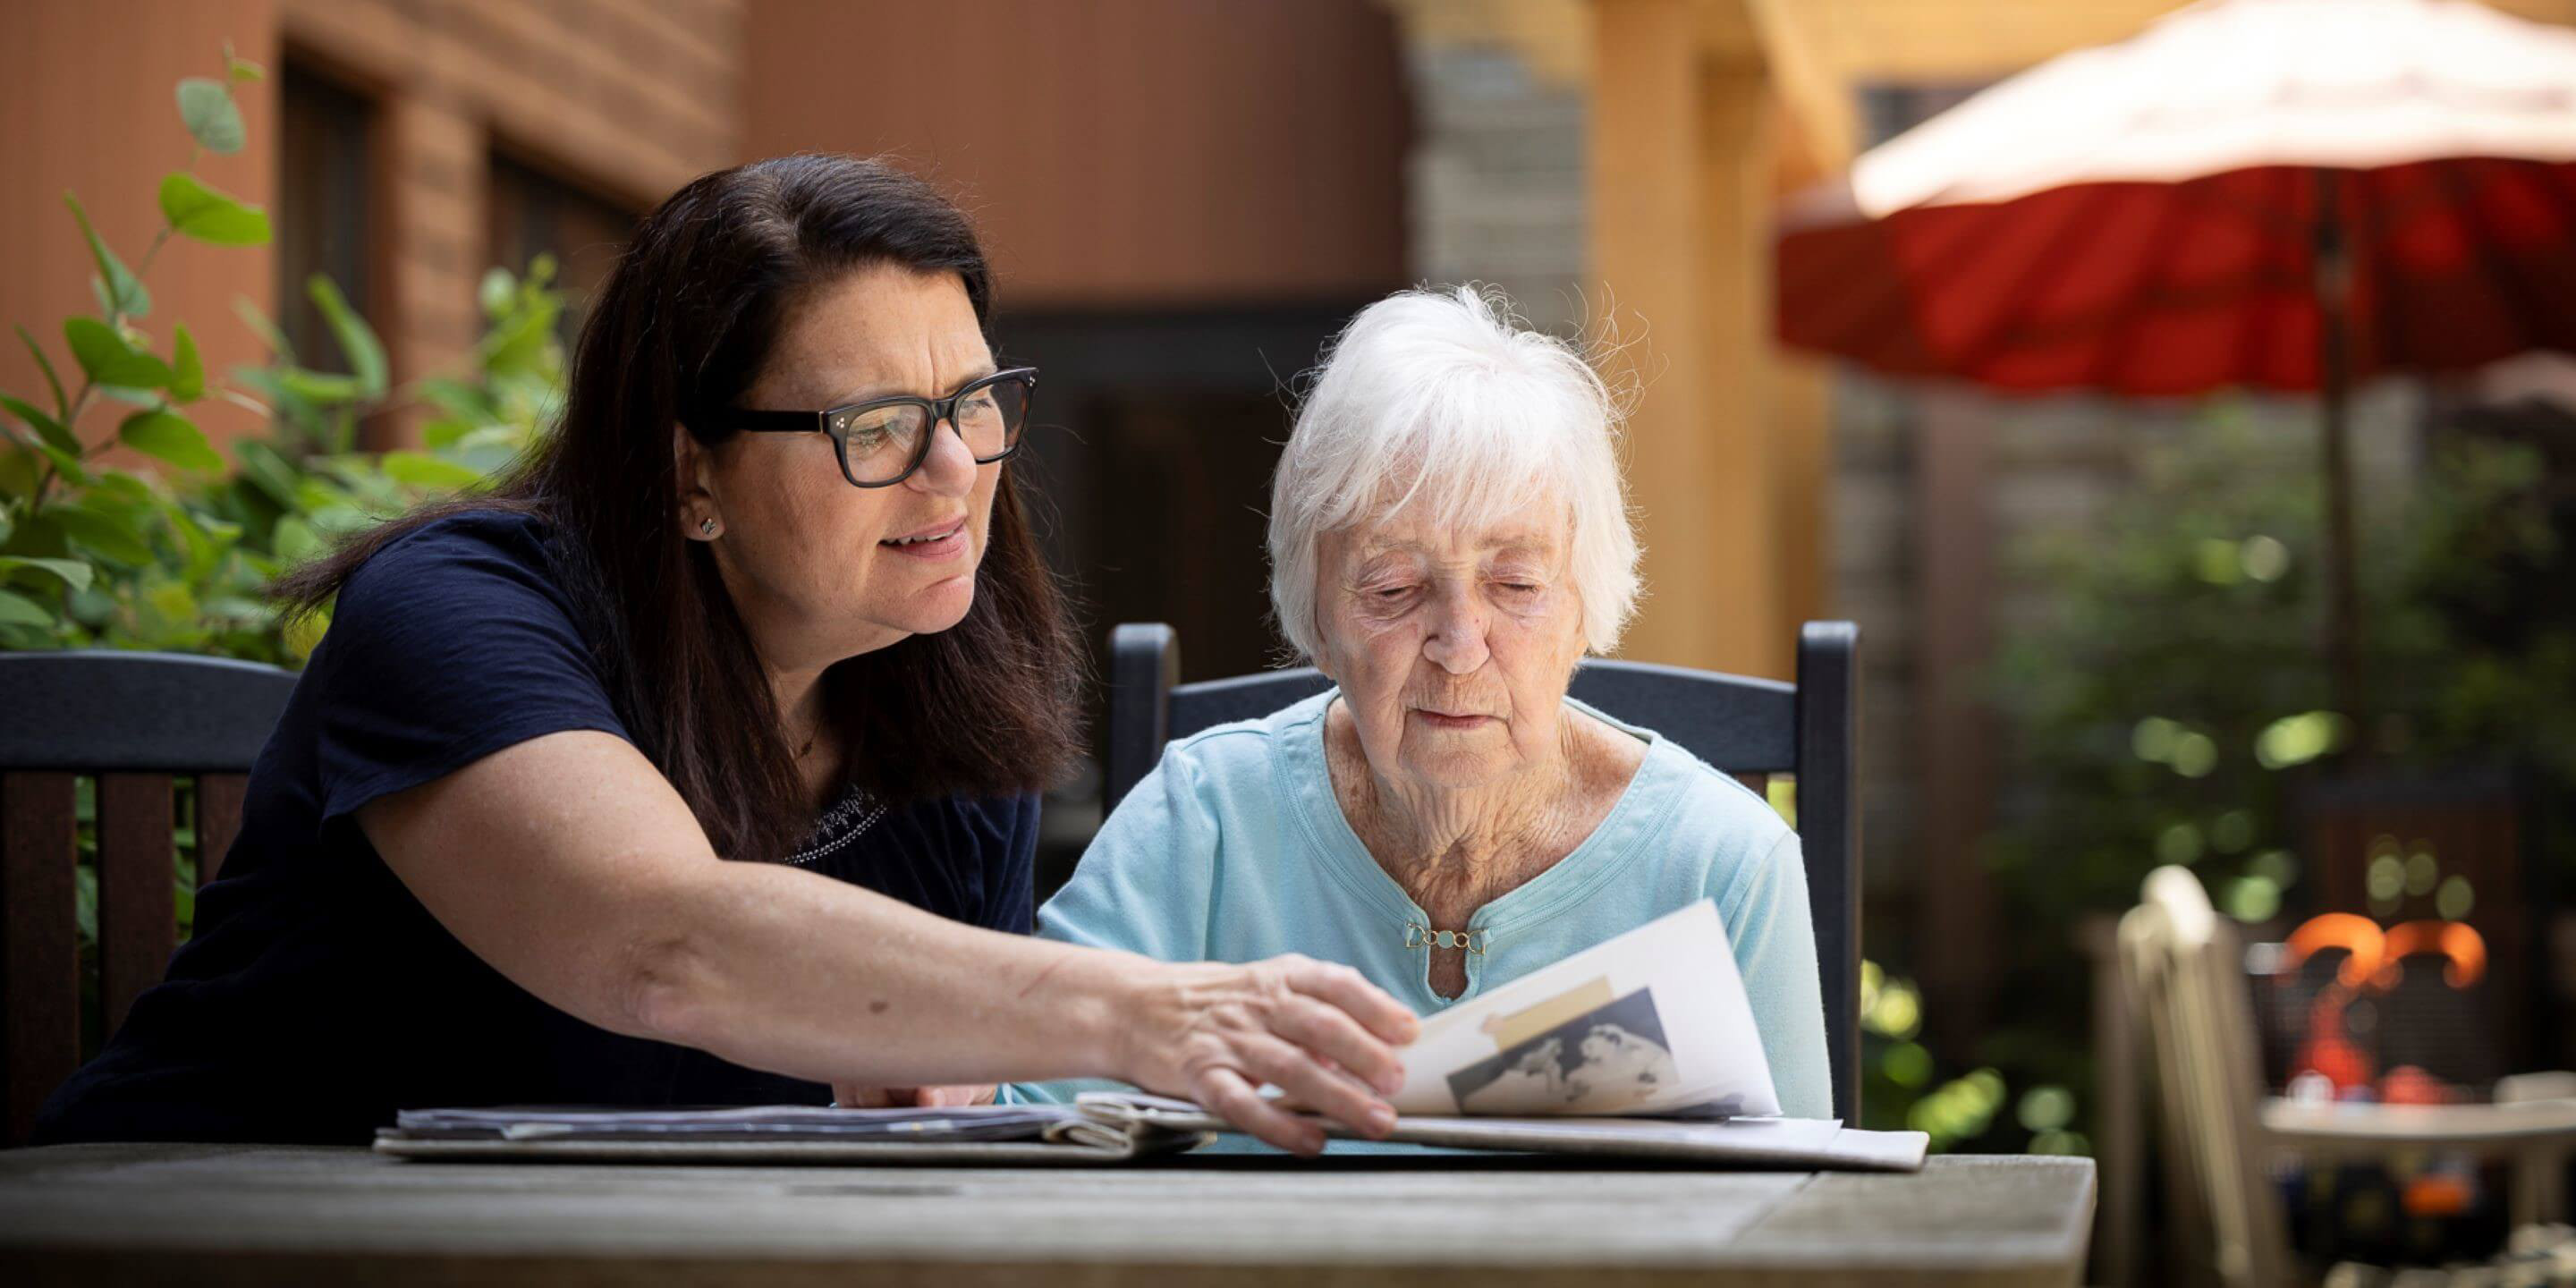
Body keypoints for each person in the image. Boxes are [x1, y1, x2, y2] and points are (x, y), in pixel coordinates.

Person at [34, 155, 1413, 1156]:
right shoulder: (459, 610)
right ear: (692, 475)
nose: (956, 471)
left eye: (976, 402)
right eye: (875, 424)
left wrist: (941, 1077)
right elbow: (660, 943)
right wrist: (1134, 1013)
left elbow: (904, 1110)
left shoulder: (939, 693)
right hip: (212, 1233)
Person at [1020, 286, 1829, 1121]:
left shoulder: (1724, 864)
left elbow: (1800, 1211)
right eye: (1394, 586)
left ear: (1585, 608)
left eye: (1516, 583)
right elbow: (1028, 1119)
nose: (1461, 641)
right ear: (1317, 619)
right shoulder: (1204, 825)